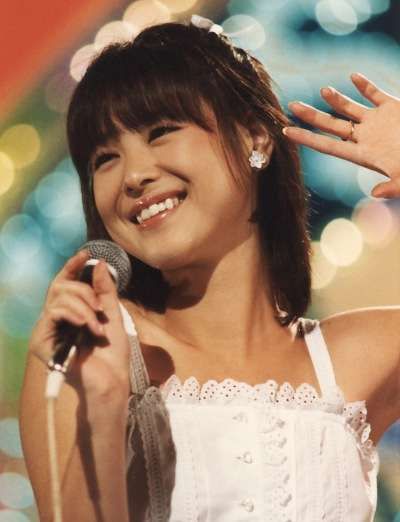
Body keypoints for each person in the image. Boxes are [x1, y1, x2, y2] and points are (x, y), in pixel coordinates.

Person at [19, 16, 400, 522]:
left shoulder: (360, 355)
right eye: (104, 159)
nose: (133, 175)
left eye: (161, 132)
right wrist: (103, 407)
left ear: (255, 138)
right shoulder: (84, 354)